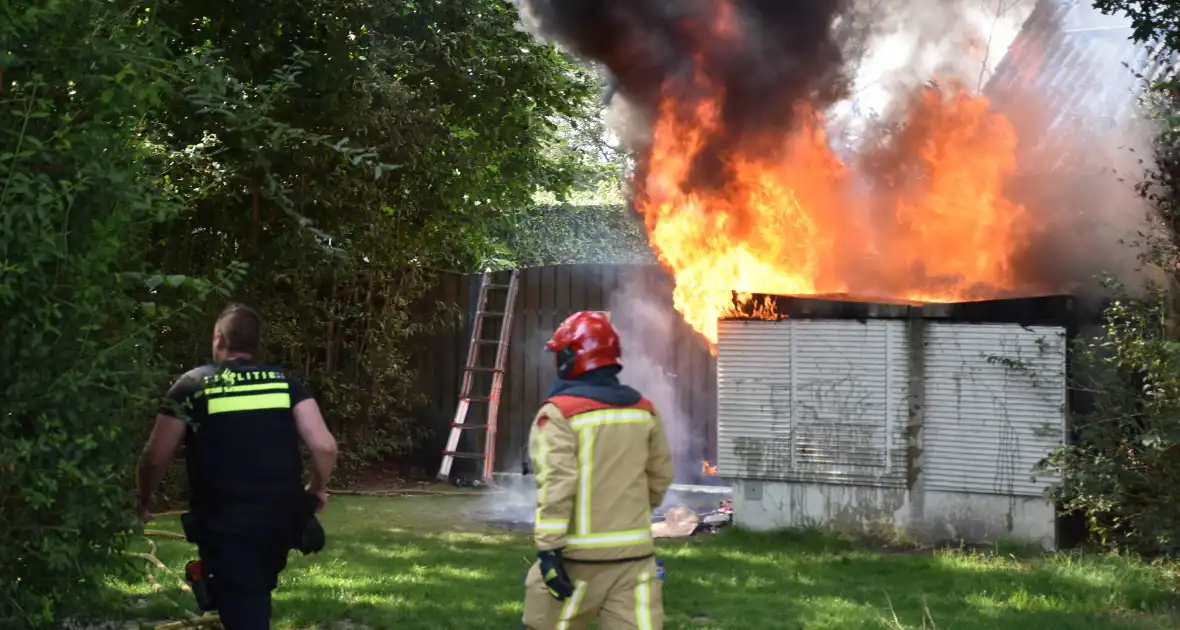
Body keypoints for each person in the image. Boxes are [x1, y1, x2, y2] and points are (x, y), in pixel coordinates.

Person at [136, 303, 339, 629]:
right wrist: (316, 490)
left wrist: (144, 500)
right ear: (255, 345)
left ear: (219, 339)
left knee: (244, 605)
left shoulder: (193, 385)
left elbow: (155, 456)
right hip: (280, 522)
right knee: (251, 596)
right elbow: (324, 446)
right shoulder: (284, 383)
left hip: (225, 524)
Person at [522, 311, 674, 630]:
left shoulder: (559, 414)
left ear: (569, 358)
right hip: (635, 562)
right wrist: (627, 515)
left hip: (574, 562)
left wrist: (549, 550)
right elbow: (660, 477)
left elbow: (556, 485)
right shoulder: (645, 411)